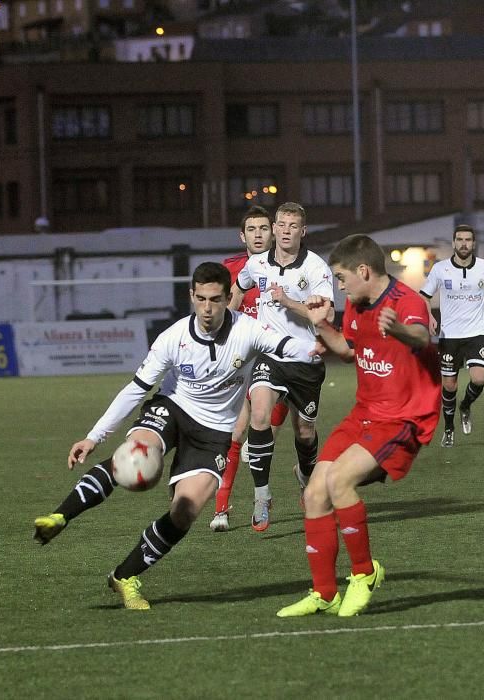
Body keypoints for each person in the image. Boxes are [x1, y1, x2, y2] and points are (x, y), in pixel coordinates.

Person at [32, 262, 313, 609]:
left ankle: (124, 576)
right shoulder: (173, 337)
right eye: (200, 299)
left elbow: (289, 346)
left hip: (214, 433)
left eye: (214, 299)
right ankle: (61, 516)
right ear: (191, 296)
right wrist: (94, 437)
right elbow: (136, 389)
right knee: (137, 455)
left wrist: (313, 348)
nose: (207, 309)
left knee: (186, 510)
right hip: (173, 409)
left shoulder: (249, 331)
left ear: (228, 298)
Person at [276, 234, 440, 618]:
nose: (340, 285)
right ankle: (324, 593)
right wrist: (321, 327)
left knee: (339, 482)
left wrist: (397, 329)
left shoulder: (407, 302)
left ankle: (364, 574)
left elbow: (420, 336)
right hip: (364, 413)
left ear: (363, 270)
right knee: (315, 491)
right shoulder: (356, 303)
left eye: (342, 277)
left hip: (402, 417)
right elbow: (350, 350)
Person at [229, 201, 333, 532]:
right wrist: (228, 323)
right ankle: (262, 497)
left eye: (293, 226)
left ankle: (305, 473)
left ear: (303, 232)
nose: (286, 231)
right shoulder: (256, 263)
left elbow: (324, 315)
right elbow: (239, 286)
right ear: (274, 228)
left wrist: (288, 302)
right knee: (259, 415)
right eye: (281, 225)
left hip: (305, 359)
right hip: (269, 355)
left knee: (304, 433)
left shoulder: (316, 268)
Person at [210, 206, 290, 532]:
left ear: (272, 232)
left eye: (263, 229)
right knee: (235, 432)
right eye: (251, 230)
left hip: (279, 357)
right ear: (242, 236)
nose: (258, 235)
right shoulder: (230, 270)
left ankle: (270, 486)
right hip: (242, 358)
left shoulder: (286, 265)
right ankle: (221, 508)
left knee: (271, 428)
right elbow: (216, 309)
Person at [420, 224, 484, 447]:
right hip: (449, 336)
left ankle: (465, 406)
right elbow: (424, 296)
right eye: (460, 239)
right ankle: (448, 429)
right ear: (454, 242)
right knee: (449, 386)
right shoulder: (440, 269)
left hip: (477, 332)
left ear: (473, 243)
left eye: (468, 240)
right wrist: (429, 316)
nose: (464, 243)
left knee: (478, 379)